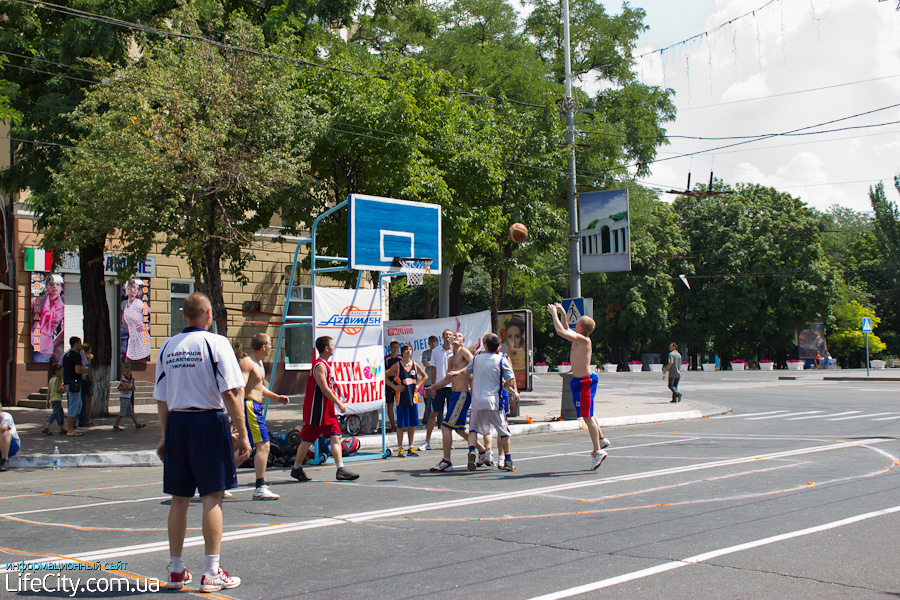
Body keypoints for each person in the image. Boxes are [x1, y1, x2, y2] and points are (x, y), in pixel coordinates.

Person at [154, 292, 250, 592]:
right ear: (208, 314)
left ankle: (175, 569)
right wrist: (243, 433)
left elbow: (161, 399)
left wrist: (165, 435)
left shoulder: (168, 346)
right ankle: (210, 572)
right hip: (209, 421)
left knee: (179, 499)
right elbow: (232, 393)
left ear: (185, 315)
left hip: (179, 422)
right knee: (212, 496)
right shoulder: (216, 343)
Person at [548, 303, 610, 470]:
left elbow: (561, 332)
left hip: (584, 382)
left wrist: (553, 314)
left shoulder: (584, 340)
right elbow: (566, 328)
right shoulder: (579, 336)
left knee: (587, 416)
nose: (575, 325)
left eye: (578, 323)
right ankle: (601, 438)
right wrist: (562, 313)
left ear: (582, 327)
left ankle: (597, 451)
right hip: (580, 381)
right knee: (590, 412)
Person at [290, 336, 359, 483]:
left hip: (327, 410)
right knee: (307, 440)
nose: (334, 347)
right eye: (332, 345)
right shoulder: (319, 365)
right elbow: (324, 388)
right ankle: (296, 468)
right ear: (326, 348)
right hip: (317, 410)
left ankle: (340, 469)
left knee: (336, 436)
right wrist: (339, 403)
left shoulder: (326, 365)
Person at [240, 333, 290, 500]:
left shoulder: (259, 363)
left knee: (242, 449)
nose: (271, 347)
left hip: (255, 407)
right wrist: (235, 413)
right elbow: (240, 389)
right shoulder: (247, 363)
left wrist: (277, 397)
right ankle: (260, 487)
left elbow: (258, 388)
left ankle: (222, 481)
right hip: (249, 407)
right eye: (270, 344)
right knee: (264, 445)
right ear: (263, 347)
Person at [427, 332, 486, 472]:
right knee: (459, 429)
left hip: (462, 394)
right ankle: (483, 451)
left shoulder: (463, 352)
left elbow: (475, 364)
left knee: (445, 426)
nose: (455, 337)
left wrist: (458, 372)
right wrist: (433, 387)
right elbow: (447, 379)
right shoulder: (450, 359)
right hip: (454, 394)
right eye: (454, 336)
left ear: (463, 342)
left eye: (459, 336)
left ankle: (446, 461)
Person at [465, 333, 520, 472]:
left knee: (473, 429)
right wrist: (513, 391)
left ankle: (472, 450)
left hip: (477, 400)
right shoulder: (502, 359)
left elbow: (467, 371)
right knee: (503, 431)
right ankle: (507, 459)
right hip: (494, 401)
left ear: (485, 345)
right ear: (498, 346)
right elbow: (509, 382)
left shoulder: (476, 358)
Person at [385, 343, 428, 457]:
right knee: (400, 424)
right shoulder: (398, 365)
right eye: (406, 350)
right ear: (402, 352)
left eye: (410, 349)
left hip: (412, 398)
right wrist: (394, 387)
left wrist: (418, 385)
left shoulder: (414, 365)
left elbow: (425, 376)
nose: (408, 351)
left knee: (412, 424)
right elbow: (385, 376)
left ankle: (411, 447)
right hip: (401, 398)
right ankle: (400, 447)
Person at [424, 329, 454, 451]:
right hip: (439, 386)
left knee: (450, 415)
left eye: (450, 334)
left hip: (452, 387)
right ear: (442, 336)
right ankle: (427, 442)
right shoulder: (436, 351)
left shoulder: (456, 351)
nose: (448, 336)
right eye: (446, 334)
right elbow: (433, 369)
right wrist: (433, 386)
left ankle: (448, 442)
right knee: (433, 414)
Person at [31, 273, 65, 364]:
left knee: (41, 371)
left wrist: (53, 343)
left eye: (58, 284)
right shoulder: (37, 301)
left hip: (46, 347)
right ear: (47, 286)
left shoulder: (62, 308)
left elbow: (64, 328)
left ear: (61, 287)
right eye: (51, 284)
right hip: (32, 341)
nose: (55, 287)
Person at [61, 337, 86, 437]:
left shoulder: (66, 355)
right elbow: (78, 370)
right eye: (80, 343)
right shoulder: (76, 356)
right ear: (75, 344)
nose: (81, 345)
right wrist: (85, 371)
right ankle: (70, 429)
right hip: (74, 383)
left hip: (68, 382)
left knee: (78, 404)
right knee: (74, 406)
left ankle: (70, 426)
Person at [121, 277, 151, 362]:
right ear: (128, 288)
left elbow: (151, 311)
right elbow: (124, 320)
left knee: (139, 365)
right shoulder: (125, 305)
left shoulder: (138, 303)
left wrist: (146, 328)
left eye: (137, 288)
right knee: (128, 363)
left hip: (141, 340)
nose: (135, 290)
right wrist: (130, 328)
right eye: (133, 287)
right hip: (132, 341)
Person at [418, 334, 439, 450]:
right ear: (429, 343)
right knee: (428, 405)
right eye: (431, 342)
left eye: (435, 342)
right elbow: (425, 363)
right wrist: (435, 362)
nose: (433, 344)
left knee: (437, 404)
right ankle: (425, 423)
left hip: (437, 382)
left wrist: (432, 362)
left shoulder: (440, 352)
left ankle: (440, 423)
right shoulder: (426, 353)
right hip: (428, 382)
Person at [114, 365, 145, 430]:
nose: (127, 372)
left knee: (131, 412)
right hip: (124, 397)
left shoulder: (131, 380)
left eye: (128, 371)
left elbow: (133, 388)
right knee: (122, 412)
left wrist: (132, 388)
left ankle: (137, 424)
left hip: (128, 398)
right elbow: (119, 388)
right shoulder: (123, 380)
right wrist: (128, 389)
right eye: (125, 371)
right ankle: (116, 425)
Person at [42, 364, 66, 435]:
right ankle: (47, 426)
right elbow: (57, 389)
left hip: (52, 399)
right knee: (55, 413)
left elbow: (49, 391)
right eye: (60, 371)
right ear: (56, 371)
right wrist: (63, 390)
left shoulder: (51, 379)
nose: (61, 373)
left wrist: (47, 401)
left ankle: (62, 427)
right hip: (57, 398)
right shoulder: (57, 380)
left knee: (61, 413)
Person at [383, 341, 401, 432]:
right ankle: (393, 426)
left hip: (399, 384)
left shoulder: (401, 358)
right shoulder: (386, 358)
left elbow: (401, 372)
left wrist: (392, 373)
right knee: (390, 405)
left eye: (397, 347)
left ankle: (401, 425)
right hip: (389, 385)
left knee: (401, 405)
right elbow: (384, 374)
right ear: (390, 348)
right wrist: (393, 373)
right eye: (394, 347)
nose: (395, 349)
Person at [79, 343, 95, 426]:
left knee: (82, 401)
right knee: (88, 401)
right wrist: (92, 379)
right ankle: (87, 418)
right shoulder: (88, 357)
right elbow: (88, 369)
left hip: (82, 381)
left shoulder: (80, 357)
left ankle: (82, 418)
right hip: (87, 381)